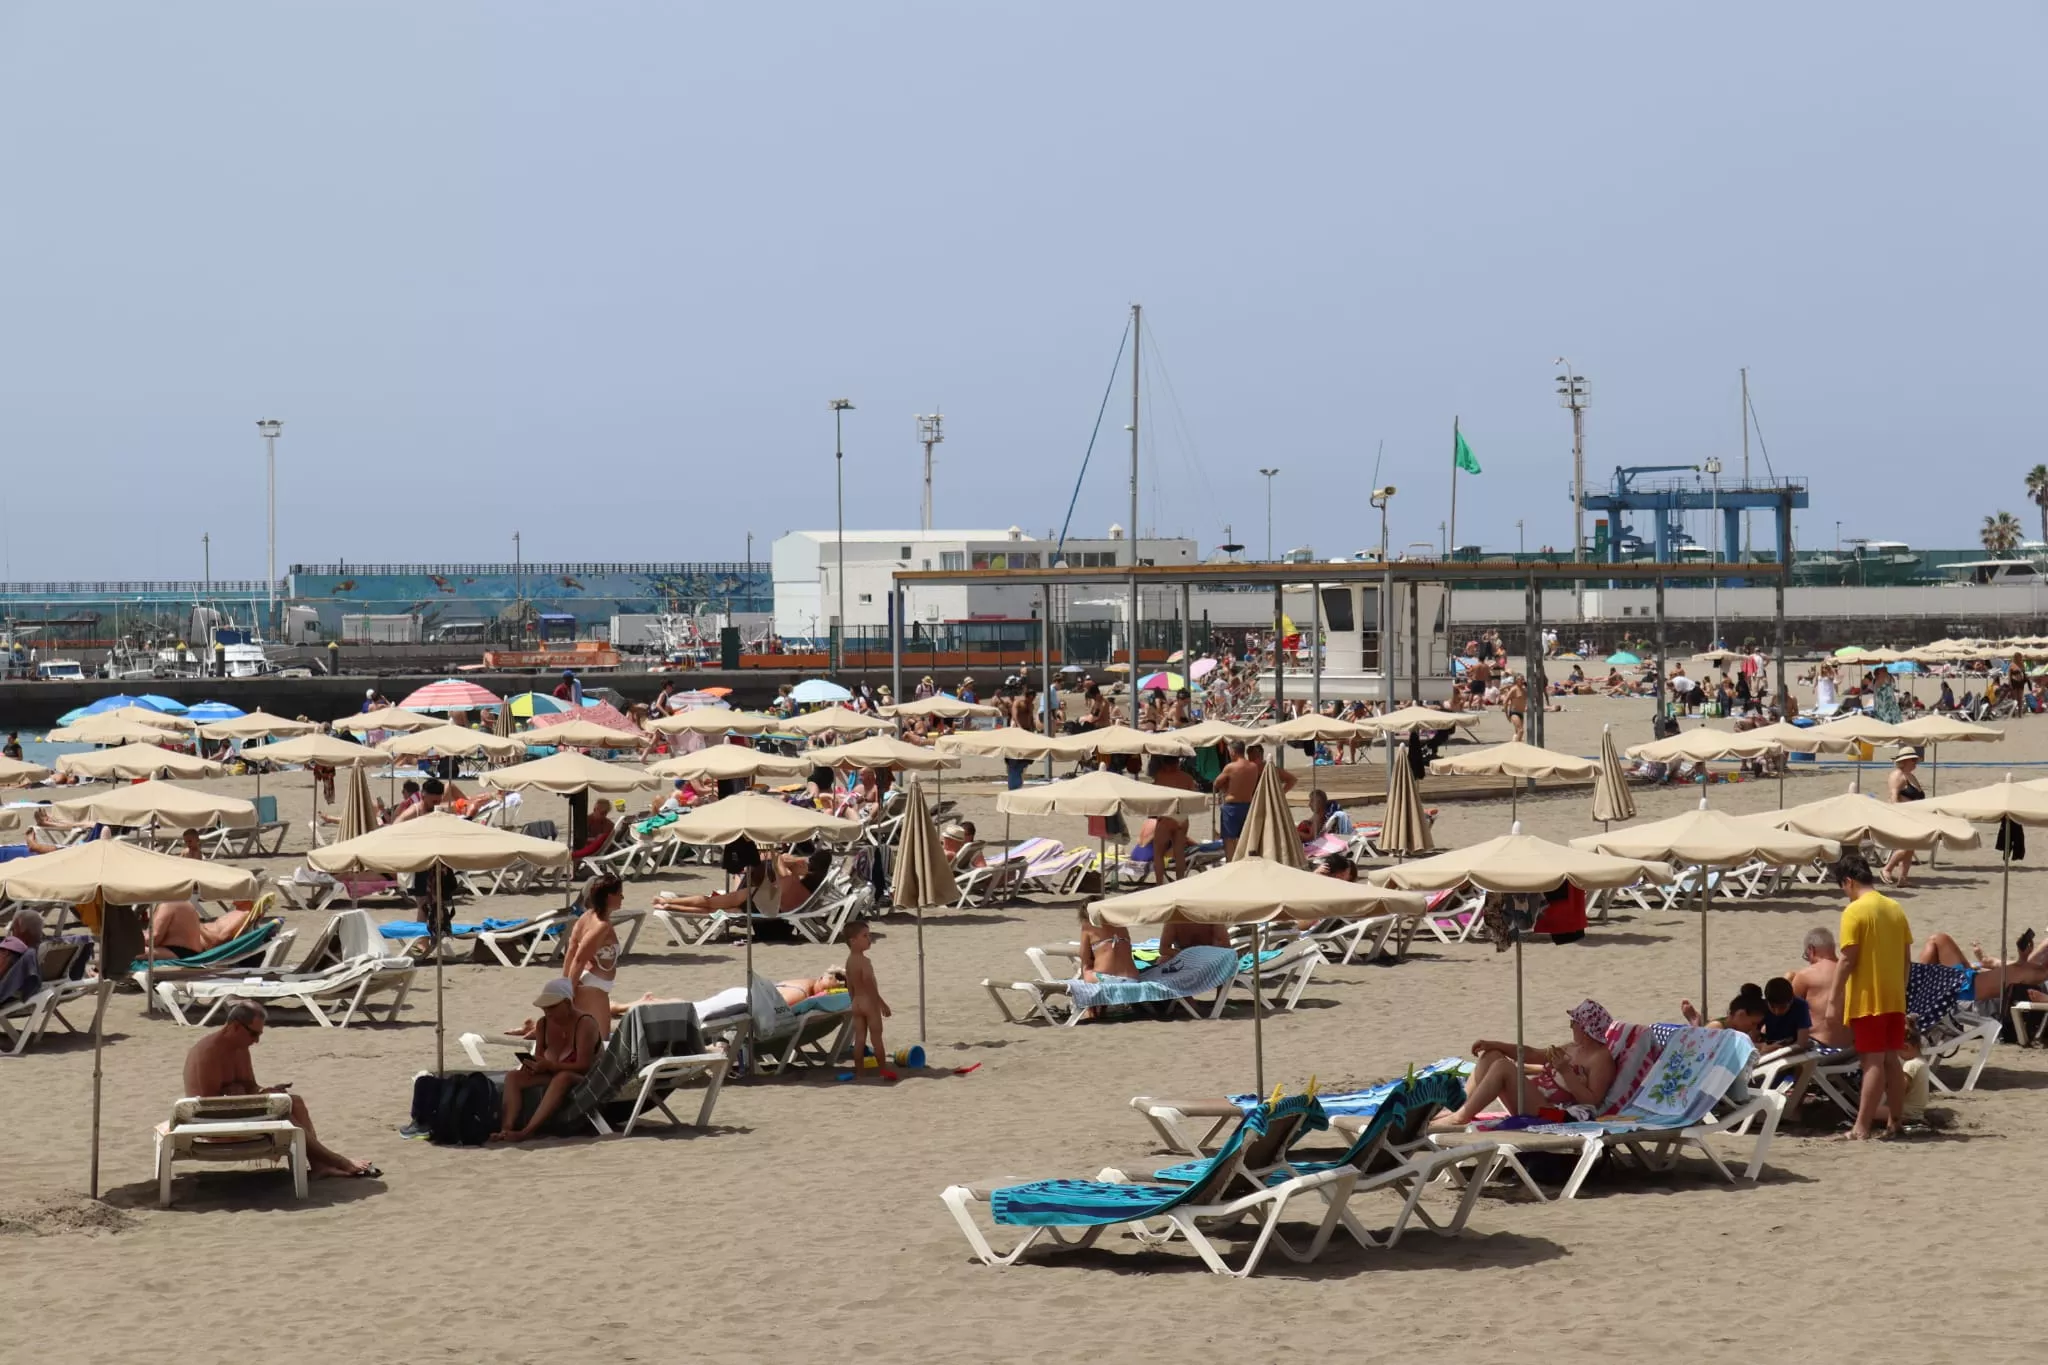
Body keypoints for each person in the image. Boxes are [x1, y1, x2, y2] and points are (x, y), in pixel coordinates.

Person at [183, 1001, 376, 1176]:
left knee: (295, 1101)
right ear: (234, 1026)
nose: (256, 1041)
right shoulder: (209, 1053)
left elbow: (251, 1086)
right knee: (283, 1116)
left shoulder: (240, 1049)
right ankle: (338, 1161)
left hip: (235, 1111)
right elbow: (208, 1105)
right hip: (213, 1123)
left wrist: (265, 1092)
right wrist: (243, 1096)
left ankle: (319, 1165)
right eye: (253, 1034)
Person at [1431, 1000, 1618, 1129]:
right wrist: (1495, 1045)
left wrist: (1565, 1073)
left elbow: (1593, 1101)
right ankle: (1461, 1108)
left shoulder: (1600, 1058)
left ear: (1585, 1029)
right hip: (1539, 1103)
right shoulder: (1573, 1048)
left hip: (1559, 1115)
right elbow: (1533, 1054)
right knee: (1492, 1056)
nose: (1571, 1026)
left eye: (1574, 1023)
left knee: (1503, 1068)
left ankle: (1459, 1118)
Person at [1834, 851, 1912, 1140]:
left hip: (1869, 999)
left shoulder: (1854, 911)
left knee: (1873, 1062)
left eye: (1843, 887)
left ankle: (1861, 1127)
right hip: (1894, 997)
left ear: (1848, 881)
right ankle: (1895, 1122)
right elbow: (1906, 957)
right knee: (1892, 1060)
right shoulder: (1894, 907)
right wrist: (1901, 989)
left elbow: (1847, 959)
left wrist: (1834, 998)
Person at [493, 979, 602, 1142]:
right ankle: (506, 1128)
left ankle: (528, 1131)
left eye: (552, 1007)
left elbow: (584, 1065)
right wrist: (533, 1066)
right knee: (513, 1076)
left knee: (563, 1076)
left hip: (587, 1079)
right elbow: (540, 1057)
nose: (548, 1013)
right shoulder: (543, 1024)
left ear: (567, 1003)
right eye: (544, 1008)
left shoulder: (585, 1023)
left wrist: (551, 1065)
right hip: (554, 1073)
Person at [561, 874, 625, 1036]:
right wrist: (568, 993)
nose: (622, 897)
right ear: (610, 897)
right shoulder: (601, 926)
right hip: (593, 987)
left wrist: (564, 984)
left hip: (589, 983)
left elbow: (571, 951)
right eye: (620, 893)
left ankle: (533, 1028)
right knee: (600, 1041)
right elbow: (579, 958)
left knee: (581, 1035)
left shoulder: (586, 916)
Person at [842, 920, 894, 1080]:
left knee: (859, 1038)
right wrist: (881, 1003)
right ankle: (883, 1070)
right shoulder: (865, 962)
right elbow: (869, 984)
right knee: (876, 1037)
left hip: (856, 1001)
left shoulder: (849, 961)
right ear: (853, 941)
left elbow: (849, 984)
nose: (869, 939)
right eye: (865, 936)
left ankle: (860, 1072)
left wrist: (852, 1001)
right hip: (868, 1002)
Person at [147, 897, 264, 960]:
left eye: (238, 891)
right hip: (192, 943)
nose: (233, 895)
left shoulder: (243, 913)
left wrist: (198, 927)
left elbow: (220, 937)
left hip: (196, 947)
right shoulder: (237, 912)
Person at [1144, 755, 1198, 882]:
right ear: (1178, 763)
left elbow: (1155, 798)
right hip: (1182, 817)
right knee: (1179, 853)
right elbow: (1194, 797)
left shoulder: (1161, 776)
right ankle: (1180, 882)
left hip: (1167, 815)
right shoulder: (1187, 778)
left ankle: (1159, 883)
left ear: (1165, 764)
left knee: (1158, 852)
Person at [1881, 749, 1925, 886]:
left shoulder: (1911, 776)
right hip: (1902, 815)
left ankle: (1903, 877)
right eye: (1913, 760)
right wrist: (1897, 814)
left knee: (1911, 847)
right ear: (1905, 761)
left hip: (1913, 816)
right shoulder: (1897, 776)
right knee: (1906, 846)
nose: (1915, 763)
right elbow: (1893, 797)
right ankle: (1887, 869)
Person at [1215, 741, 1258, 858]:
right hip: (1248, 805)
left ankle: (1230, 862)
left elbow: (1216, 783)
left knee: (1229, 839)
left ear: (1232, 752)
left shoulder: (1231, 767)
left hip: (1232, 807)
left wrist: (1225, 788)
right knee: (1245, 837)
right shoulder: (1254, 767)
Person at [1680, 984, 1767, 1041]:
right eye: (1753, 1023)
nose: (1754, 1027)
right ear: (1741, 1015)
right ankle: (1696, 1024)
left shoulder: (1743, 1032)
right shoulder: (1717, 1028)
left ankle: (1698, 1024)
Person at [1077, 903, 1137, 982]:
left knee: (1086, 968)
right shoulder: (1121, 925)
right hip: (1131, 978)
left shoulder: (1088, 926)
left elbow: (1084, 956)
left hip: (1104, 978)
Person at [1760, 975, 1812, 1050]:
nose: (1777, 1012)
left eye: (1782, 1007)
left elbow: (1802, 1042)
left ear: (1791, 1001)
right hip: (1769, 1045)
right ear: (1767, 1002)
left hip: (1792, 1046)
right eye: (1772, 1007)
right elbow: (1752, 1040)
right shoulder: (1762, 1007)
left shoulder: (1800, 1006)